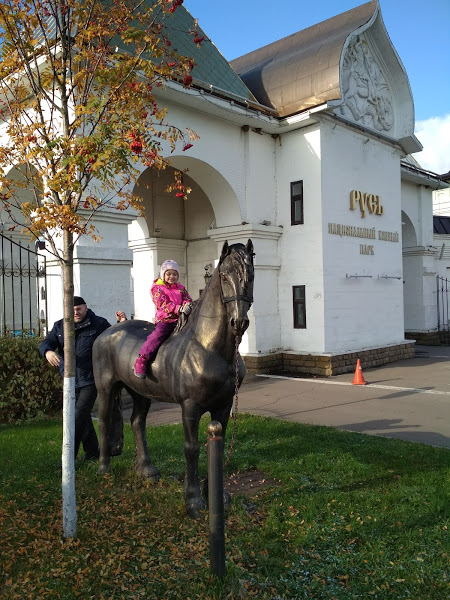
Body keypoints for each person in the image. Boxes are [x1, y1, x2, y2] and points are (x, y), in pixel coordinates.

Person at [39, 296, 127, 460]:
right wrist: (48, 352)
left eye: (79, 308)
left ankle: (68, 458)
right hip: (69, 379)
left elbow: (114, 338)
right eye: (72, 310)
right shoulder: (60, 326)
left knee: (77, 416)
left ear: (85, 307)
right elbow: (47, 342)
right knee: (83, 416)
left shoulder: (98, 324)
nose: (76, 312)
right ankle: (92, 452)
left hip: (91, 379)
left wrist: (121, 323)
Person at [134, 259, 192, 379]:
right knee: (157, 336)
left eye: (174, 274)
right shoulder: (157, 288)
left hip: (181, 319)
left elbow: (187, 298)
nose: (172, 276)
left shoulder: (181, 288)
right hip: (166, 320)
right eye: (169, 274)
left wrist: (187, 305)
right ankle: (142, 359)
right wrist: (178, 308)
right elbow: (162, 303)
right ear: (163, 275)